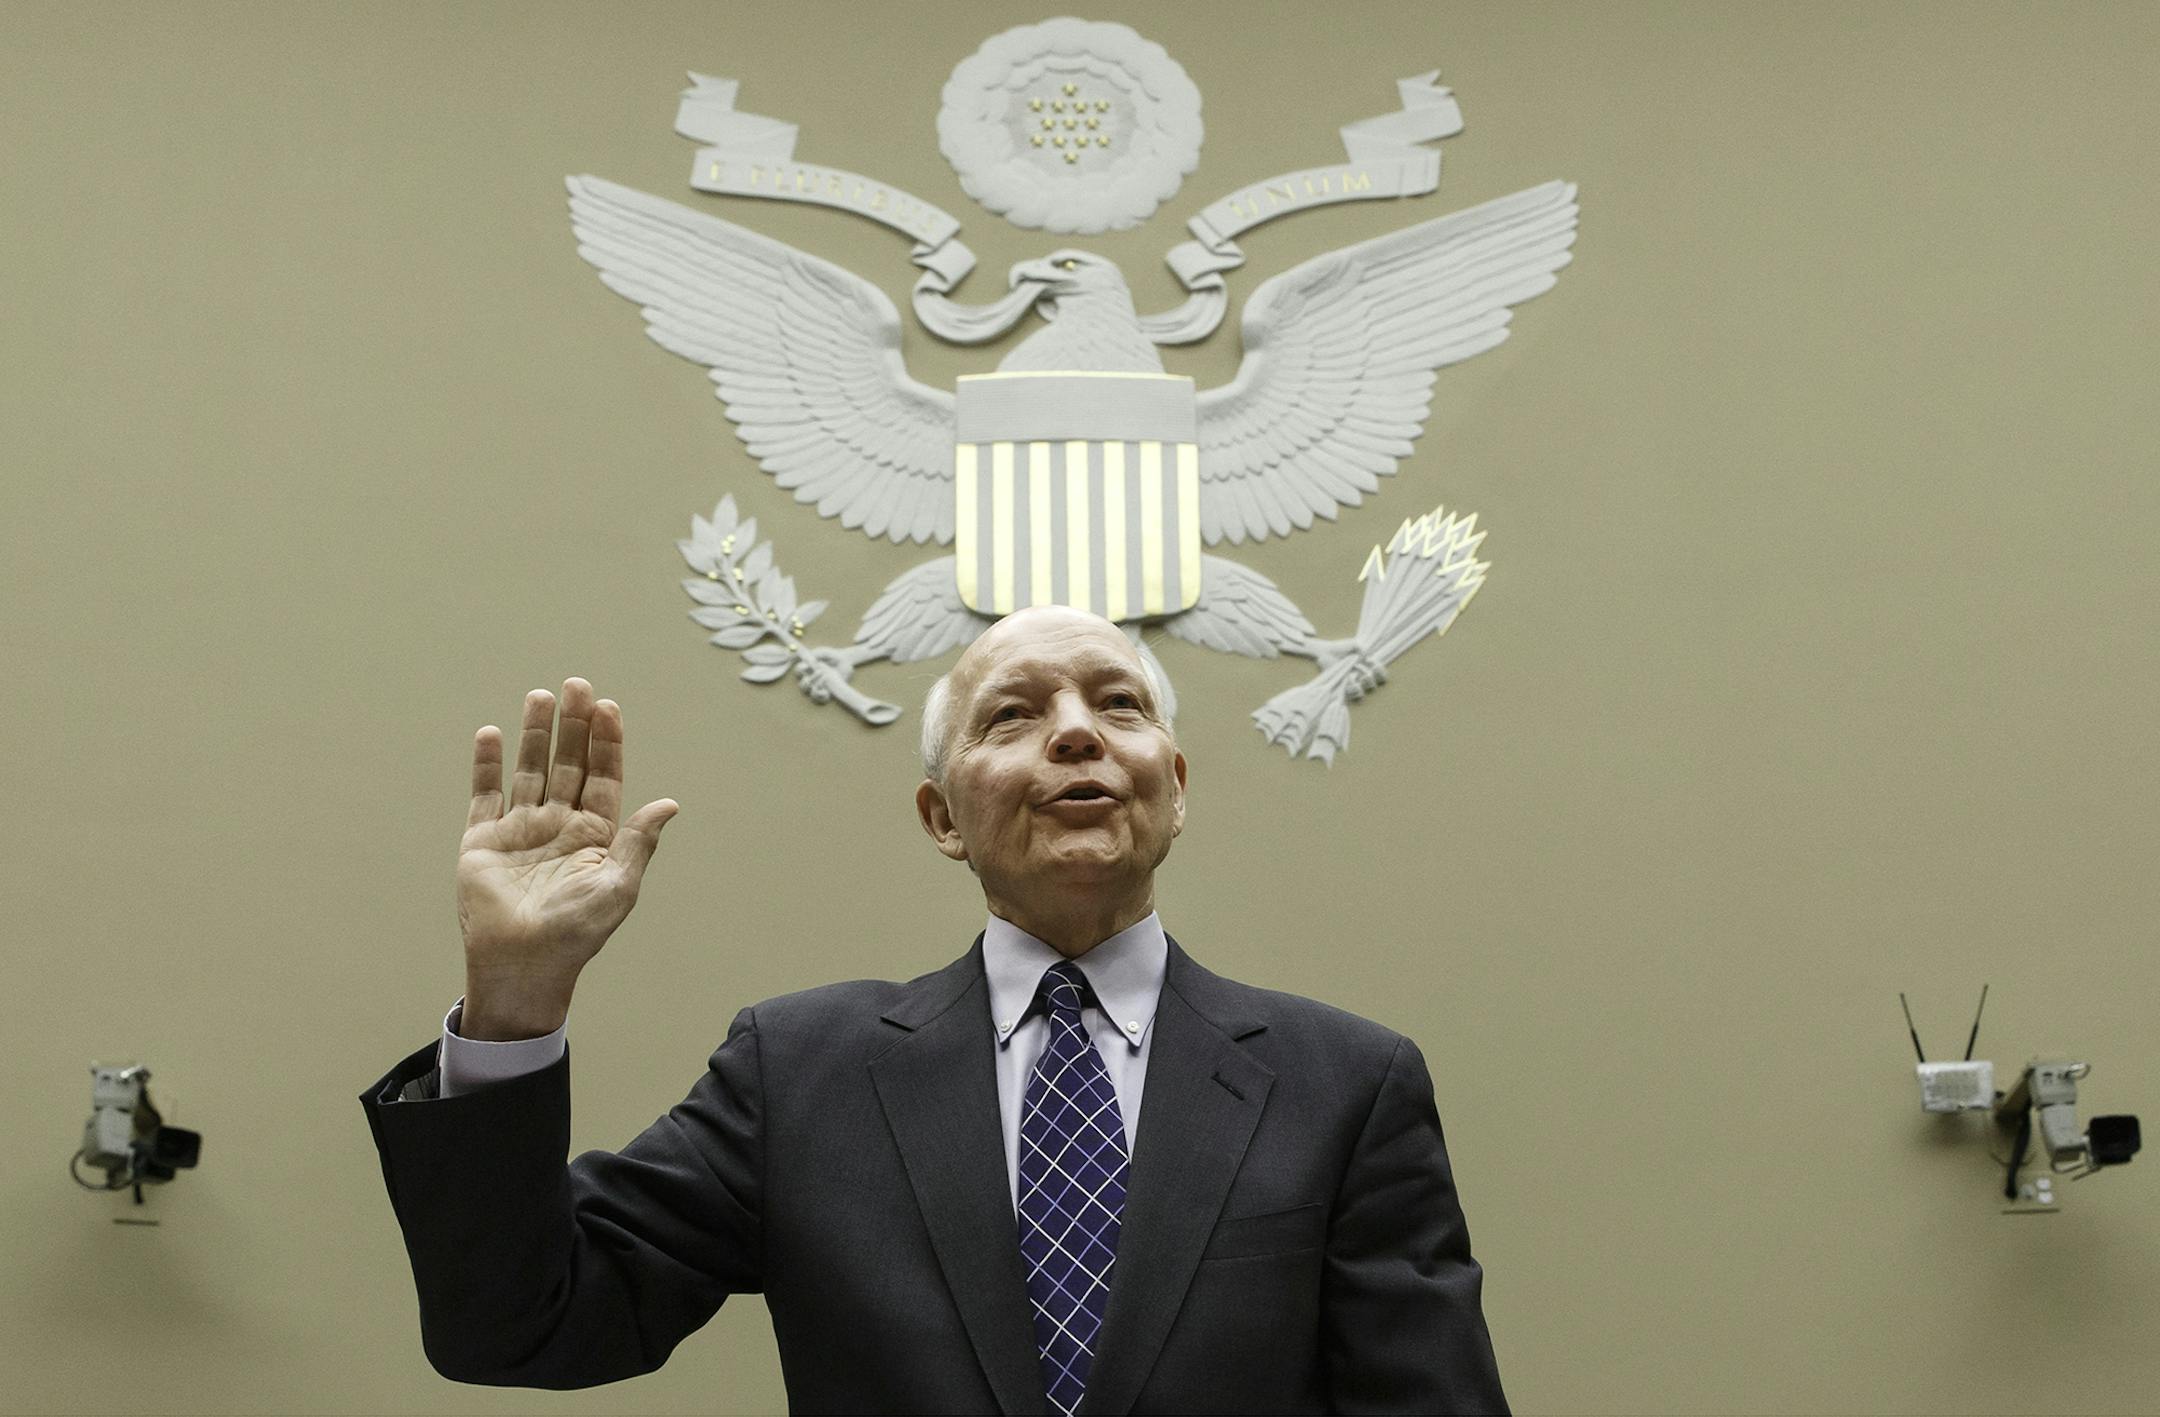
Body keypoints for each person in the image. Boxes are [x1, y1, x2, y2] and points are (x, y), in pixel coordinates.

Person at [359, 604, 1507, 1414]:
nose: (1076, 731)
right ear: (942, 818)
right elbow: (518, 1324)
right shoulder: (799, 1072)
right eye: (1013, 715)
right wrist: (514, 1001)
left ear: (1174, 786)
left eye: (1118, 704)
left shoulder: (1345, 1083)